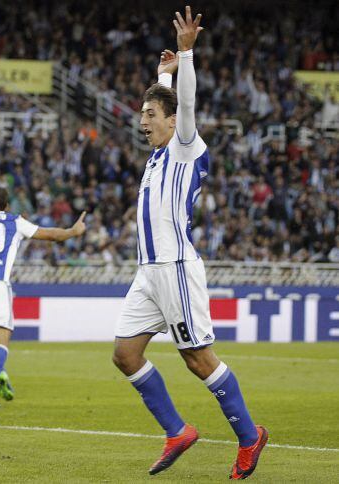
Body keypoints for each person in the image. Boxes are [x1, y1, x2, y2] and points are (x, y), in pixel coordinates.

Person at [111, 7, 267, 479]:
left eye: (150, 114)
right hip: (148, 272)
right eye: (141, 114)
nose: (143, 121)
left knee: (199, 360)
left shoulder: (184, 146)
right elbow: (168, 97)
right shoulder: (159, 156)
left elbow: (186, 105)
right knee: (125, 354)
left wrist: (186, 53)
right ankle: (177, 431)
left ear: (172, 120)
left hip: (176, 266)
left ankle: (249, 436)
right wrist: (163, 72)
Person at [0, 186, 86, 408]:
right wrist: (73, 231)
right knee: (2, 338)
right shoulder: (14, 221)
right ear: (7, 205)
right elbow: (50, 235)